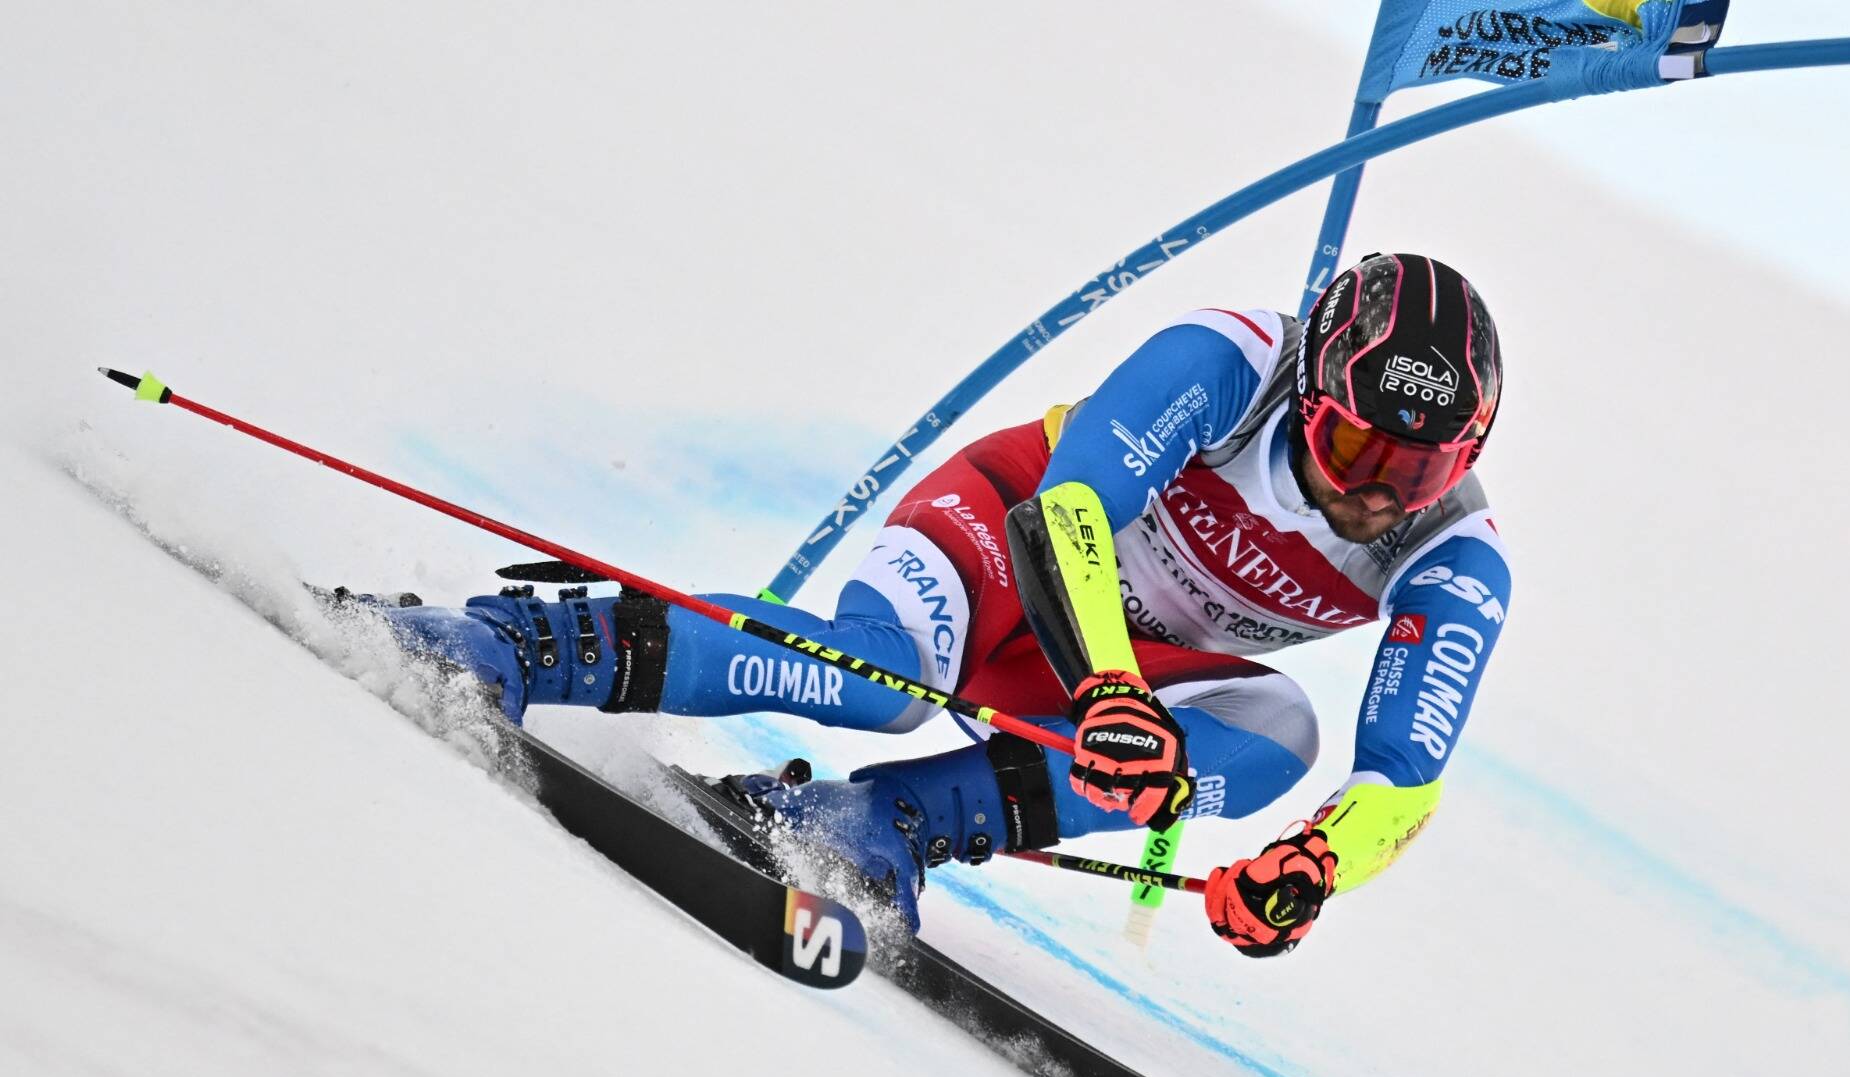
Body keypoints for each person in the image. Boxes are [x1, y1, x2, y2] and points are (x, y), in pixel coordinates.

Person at [377, 252, 1510, 957]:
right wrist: (1109, 687)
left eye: (1415, 470)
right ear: (1310, 392)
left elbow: (1403, 778)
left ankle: (884, 824)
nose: (1375, 492)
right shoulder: (1230, 361)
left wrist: (1311, 865)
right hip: (1011, 540)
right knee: (888, 682)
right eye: (1354, 445)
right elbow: (1069, 509)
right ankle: (519, 640)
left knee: (1278, 736)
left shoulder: (1454, 555)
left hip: (1113, 661)